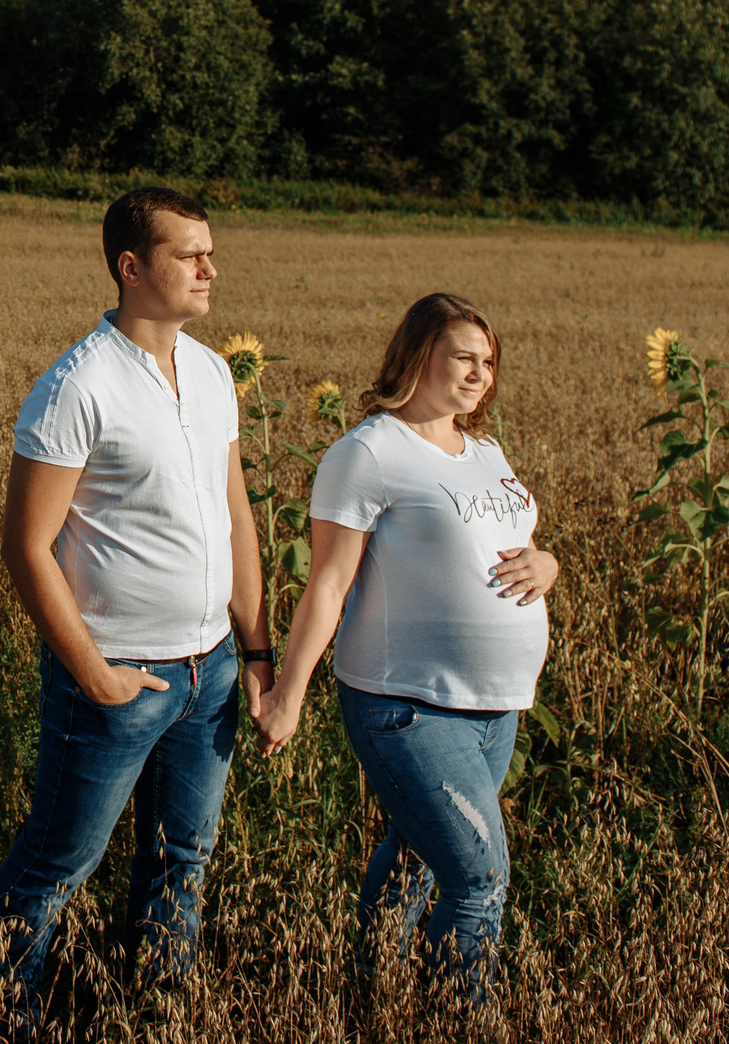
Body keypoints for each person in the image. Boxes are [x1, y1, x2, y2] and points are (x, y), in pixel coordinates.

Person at [0, 185, 279, 1027]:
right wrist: (94, 674)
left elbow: (237, 517)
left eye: (210, 250)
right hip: (116, 671)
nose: (211, 268)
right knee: (60, 859)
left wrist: (256, 653)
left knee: (184, 855)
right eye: (191, 254)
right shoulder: (77, 386)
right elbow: (26, 547)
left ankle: (157, 1007)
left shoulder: (214, 371)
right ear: (132, 266)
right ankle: (5, 1013)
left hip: (212, 669)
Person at [256, 291, 559, 1008]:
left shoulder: (485, 450)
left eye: (489, 360)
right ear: (421, 354)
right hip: (408, 704)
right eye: (464, 356)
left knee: (418, 858)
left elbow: (515, 545)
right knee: (478, 880)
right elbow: (327, 583)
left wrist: (548, 565)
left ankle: (374, 997)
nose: (481, 372)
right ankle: (463, 1019)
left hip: (495, 706)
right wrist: (289, 696)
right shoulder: (368, 452)